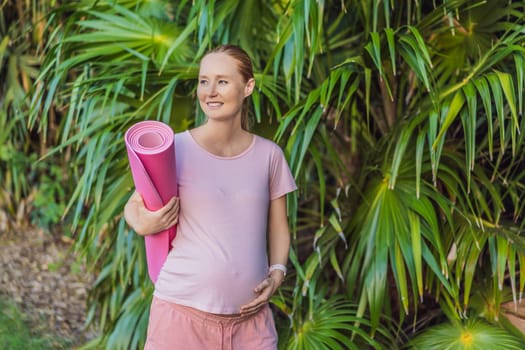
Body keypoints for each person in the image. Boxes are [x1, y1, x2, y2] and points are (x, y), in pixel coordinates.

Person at [124, 44, 297, 350]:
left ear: (248, 87)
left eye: (222, 81)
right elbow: (135, 206)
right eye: (204, 81)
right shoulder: (175, 149)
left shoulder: (270, 156)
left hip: (251, 326)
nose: (210, 91)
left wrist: (277, 274)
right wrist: (145, 222)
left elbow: (279, 226)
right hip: (180, 318)